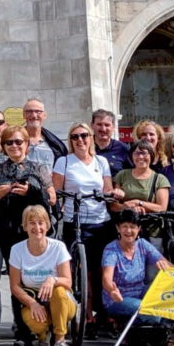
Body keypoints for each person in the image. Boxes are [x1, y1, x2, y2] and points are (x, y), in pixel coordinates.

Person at [0, 126, 55, 346]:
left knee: (33, 278)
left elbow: (51, 198)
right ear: (3, 147)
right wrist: (1, 192)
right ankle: (22, 331)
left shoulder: (38, 168)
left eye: (18, 142)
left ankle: (41, 326)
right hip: (7, 231)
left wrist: (30, 192)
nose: (14, 146)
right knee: (16, 282)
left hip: (33, 232)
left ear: (26, 143)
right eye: (9, 143)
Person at [52, 122, 114, 331]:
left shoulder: (101, 161)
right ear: (70, 141)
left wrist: (113, 194)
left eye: (84, 136)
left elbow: (108, 189)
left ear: (91, 138)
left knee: (100, 268)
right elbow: (57, 191)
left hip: (100, 220)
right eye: (75, 137)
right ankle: (84, 313)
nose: (80, 140)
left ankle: (102, 313)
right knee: (77, 269)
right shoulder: (64, 162)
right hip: (75, 220)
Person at [8, 205, 76, 346]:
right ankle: (42, 335)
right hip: (35, 299)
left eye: (41, 223)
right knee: (36, 322)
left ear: (47, 225)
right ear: (24, 226)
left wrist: (53, 279)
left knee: (59, 290)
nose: (37, 227)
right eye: (31, 223)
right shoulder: (17, 250)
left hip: (61, 301)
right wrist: (32, 303)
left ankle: (60, 341)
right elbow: (15, 286)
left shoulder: (58, 247)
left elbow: (68, 281)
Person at [101, 209, 174, 329]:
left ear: (139, 229)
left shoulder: (142, 244)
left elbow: (166, 263)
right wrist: (112, 290)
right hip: (118, 298)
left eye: (132, 227)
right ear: (118, 228)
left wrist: (172, 270)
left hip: (140, 293)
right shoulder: (111, 250)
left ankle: (158, 331)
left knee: (166, 297)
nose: (128, 231)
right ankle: (125, 326)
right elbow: (106, 278)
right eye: (124, 226)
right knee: (152, 314)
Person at [112, 141, 169, 214]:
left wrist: (138, 203)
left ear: (151, 156)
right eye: (136, 153)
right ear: (131, 156)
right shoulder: (122, 175)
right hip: (126, 223)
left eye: (144, 153)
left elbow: (162, 208)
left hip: (150, 221)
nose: (140, 157)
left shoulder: (160, 179)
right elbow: (113, 206)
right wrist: (127, 208)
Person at [23, 98, 66, 166]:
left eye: (38, 111)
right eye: (29, 111)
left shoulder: (56, 145)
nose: (34, 115)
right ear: (23, 115)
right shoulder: (14, 141)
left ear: (44, 115)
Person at [92, 109, 130, 173]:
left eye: (107, 125)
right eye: (99, 124)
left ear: (113, 127)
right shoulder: (84, 147)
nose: (103, 129)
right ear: (92, 125)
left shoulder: (123, 149)